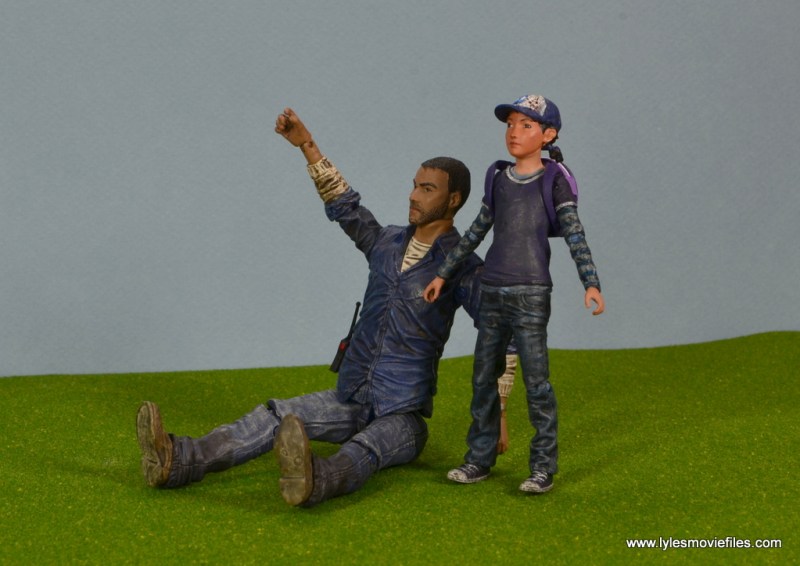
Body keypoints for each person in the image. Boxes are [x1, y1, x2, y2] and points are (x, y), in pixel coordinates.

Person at [136, 108, 484, 507]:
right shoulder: (385, 243)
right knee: (277, 415)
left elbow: (497, 332)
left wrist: (496, 418)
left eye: (427, 189)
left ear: (453, 200)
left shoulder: (462, 267)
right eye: (414, 185)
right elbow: (345, 205)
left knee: (366, 448)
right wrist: (307, 145)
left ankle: (316, 479)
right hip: (351, 396)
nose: (413, 195)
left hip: (403, 414)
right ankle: (179, 459)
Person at [423, 93, 605, 494]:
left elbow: (574, 233)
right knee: (482, 378)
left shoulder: (555, 179)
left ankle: (542, 467)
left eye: (526, 125)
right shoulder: (498, 178)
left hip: (531, 293)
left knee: (537, 382)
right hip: (492, 290)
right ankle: (478, 458)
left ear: (548, 134)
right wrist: (443, 274)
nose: (514, 133)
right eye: (510, 125)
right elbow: (476, 231)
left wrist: (590, 282)